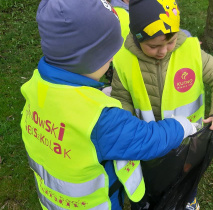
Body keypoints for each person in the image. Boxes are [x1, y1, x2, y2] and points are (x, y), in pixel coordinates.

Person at [19, 0, 199, 209]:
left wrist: (94, 93)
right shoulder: (102, 119)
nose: (113, 57)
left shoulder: (35, 84)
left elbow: (66, 108)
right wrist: (181, 126)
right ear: (90, 58)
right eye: (108, 54)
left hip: (53, 199)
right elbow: (148, 140)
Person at [111, 0, 213, 209]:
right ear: (136, 36)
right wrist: (127, 123)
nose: (163, 51)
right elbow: (120, 96)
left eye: (171, 41)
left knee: (185, 177)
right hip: (147, 140)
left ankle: (188, 200)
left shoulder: (190, 51)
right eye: (154, 46)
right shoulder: (123, 59)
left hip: (187, 141)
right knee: (148, 183)